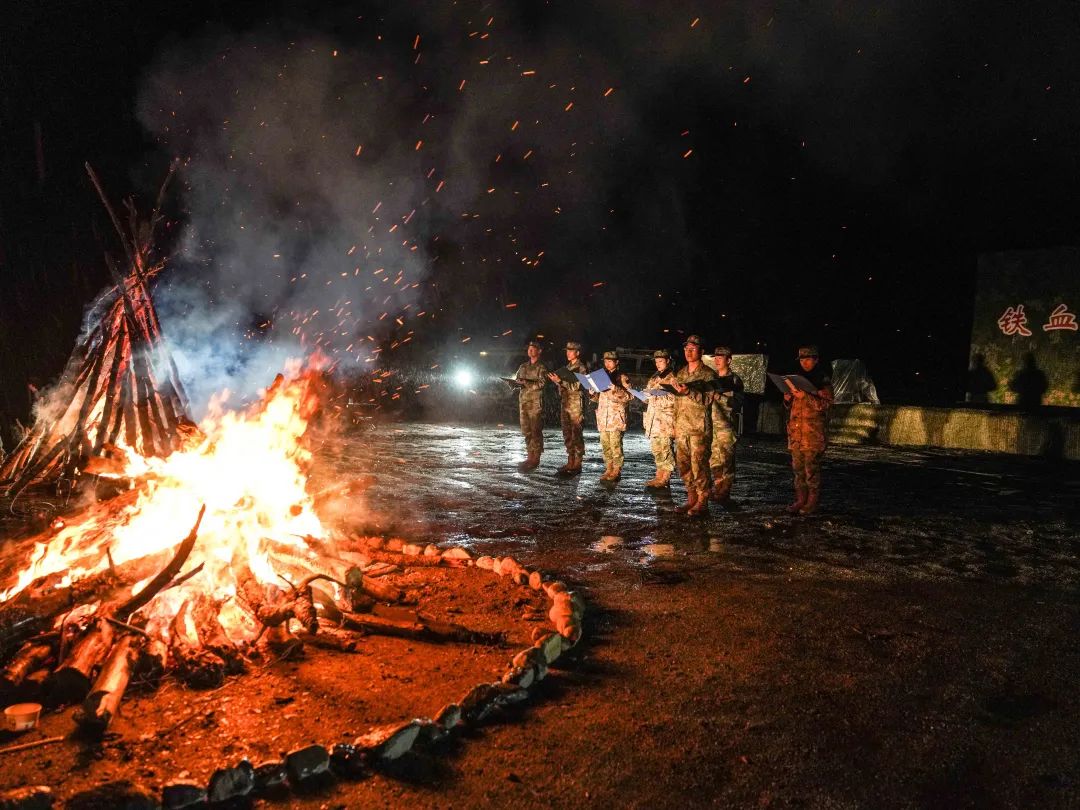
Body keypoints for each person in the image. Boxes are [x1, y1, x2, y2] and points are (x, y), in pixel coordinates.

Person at [783, 345, 833, 515]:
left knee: (811, 469)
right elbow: (793, 407)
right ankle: (800, 499)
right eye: (802, 359)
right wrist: (788, 399)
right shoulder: (798, 380)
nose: (804, 362)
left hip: (812, 434)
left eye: (808, 358)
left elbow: (825, 405)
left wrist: (806, 396)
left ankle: (812, 502)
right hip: (797, 434)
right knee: (797, 469)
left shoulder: (823, 380)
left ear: (816, 359)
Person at [671, 335, 717, 516]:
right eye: (686, 349)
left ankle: (702, 501)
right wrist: (674, 425)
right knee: (683, 465)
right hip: (682, 427)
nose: (688, 352)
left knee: (699, 465)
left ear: (702, 351)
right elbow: (676, 402)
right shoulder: (681, 373)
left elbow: (707, 400)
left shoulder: (708, 375)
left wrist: (689, 391)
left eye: (693, 348)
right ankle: (691, 499)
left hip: (698, 428)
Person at [708, 346, 744, 503]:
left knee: (726, 460)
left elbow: (737, 403)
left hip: (726, 426)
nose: (716, 360)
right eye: (715, 357)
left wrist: (718, 397)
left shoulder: (735, 380)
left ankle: (725, 491)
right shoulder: (711, 378)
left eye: (720, 357)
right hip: (711, 425)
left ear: (729, 360)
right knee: (714, 460)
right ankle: (718, 487)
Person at [547, 341, 588, 475]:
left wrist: (560, 381)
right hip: (565, 402)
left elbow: (578, 386)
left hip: (575, 402)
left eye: (571, 350)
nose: (568, 353)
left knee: (576, 432)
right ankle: (570, 460)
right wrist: (557, 382)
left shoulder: (581, 368)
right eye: (567, 350)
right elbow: (563, 387)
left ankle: (578, 462)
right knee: (567, 432)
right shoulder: (567, 367)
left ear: (577, 353)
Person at [591, 350, 632, 482]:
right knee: (605, 444)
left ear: (616, 362)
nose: (607, 364)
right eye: (605, 361)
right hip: (603, 416)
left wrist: (615, 388)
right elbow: (599, 398)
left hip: (616, 417)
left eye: (610, 361)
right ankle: (608, 468)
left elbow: (629, 396)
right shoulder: (601, 377)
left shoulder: (622, 377)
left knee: (615, 445)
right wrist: (592, 393)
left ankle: (616, 470)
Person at [643, 349, 677, 489]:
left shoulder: (673, 377)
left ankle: (666, 477)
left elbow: (676, 399)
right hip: (653, 420)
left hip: (665, 421)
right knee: (656, 449)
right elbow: (648, 397)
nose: (658, 364)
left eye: (661, 361)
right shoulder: (654, 377)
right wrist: (644, 395)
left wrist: (657, 396)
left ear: (668, 361)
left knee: (665, 448)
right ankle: (659, 475)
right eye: (656, 361)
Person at [514, 340, 549, 471]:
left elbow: (541, 384)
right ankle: (529, 456)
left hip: (535, 404)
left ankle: (536, 458)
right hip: (523, 402)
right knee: (526, 431)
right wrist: (515, 383)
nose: (530, 350)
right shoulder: (523, 366)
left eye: (533, 348)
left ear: (539, 351)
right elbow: (517, 379)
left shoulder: (541, 368)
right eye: (529, 348)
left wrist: (526, 383)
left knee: (535, 431)